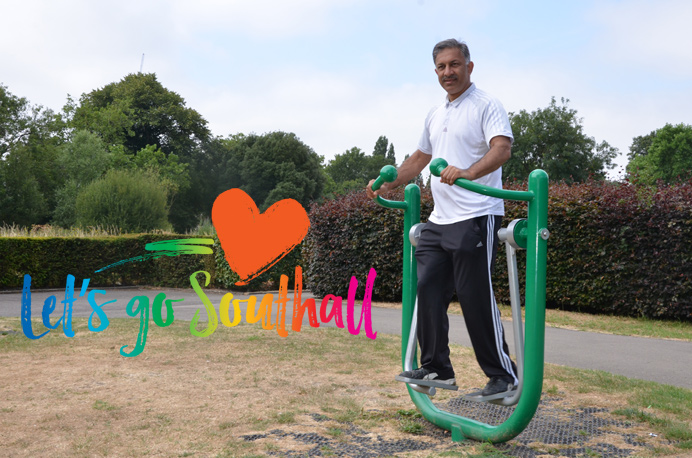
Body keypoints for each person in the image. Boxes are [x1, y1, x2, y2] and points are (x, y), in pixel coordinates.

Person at [366, 38, 517, 397]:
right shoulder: (435, 113)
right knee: (428, 288)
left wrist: (466, 172)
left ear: (469, 66)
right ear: (435, 71)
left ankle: (503, 377)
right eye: (441, 67)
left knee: (473, 294)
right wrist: (389, 182)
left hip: (477, 215)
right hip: (440, 219)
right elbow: (419, 158)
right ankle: (437, 369)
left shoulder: (487, 105)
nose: (448, 72)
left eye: (454, 64)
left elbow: (502, 148)